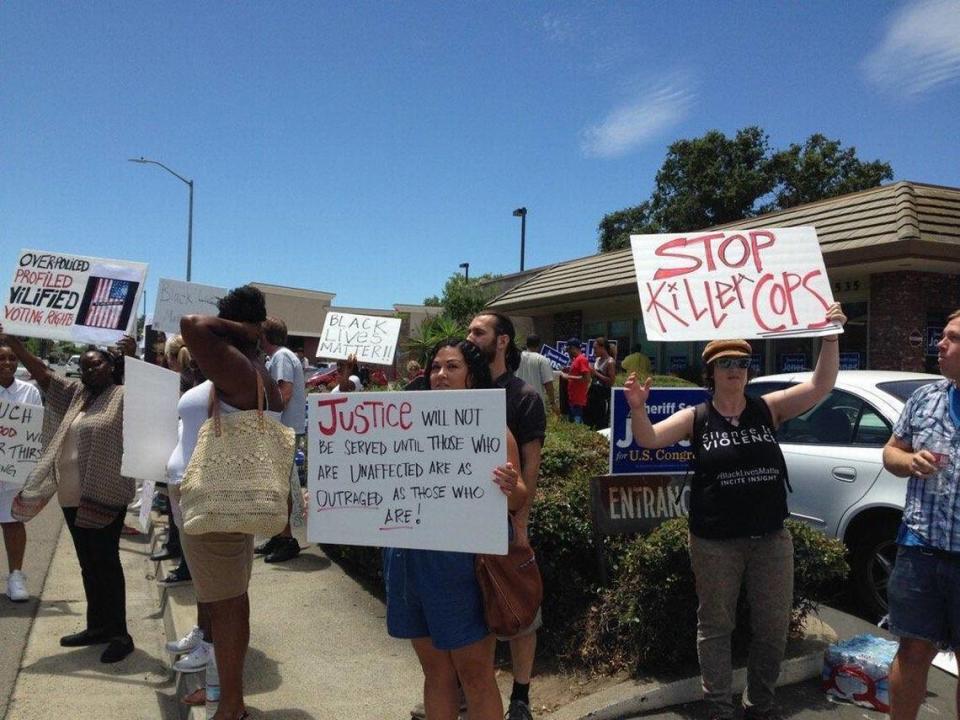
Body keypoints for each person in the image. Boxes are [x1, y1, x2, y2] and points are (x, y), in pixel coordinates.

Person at [623, 303, 846, 720]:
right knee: (716, 627)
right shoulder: (698, 417)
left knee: (772, 629)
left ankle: (760, 704)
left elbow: (821, 384)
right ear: (711, 371)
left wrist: (830, 336)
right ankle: (719, 707)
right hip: (714, 542)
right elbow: (650, 439)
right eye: (725, 363)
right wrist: (638, 407)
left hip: (770, 539)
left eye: (742, 362)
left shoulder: (768, 407)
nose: (735, 369)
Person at [384, 339, 525, 720]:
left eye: (452, 367)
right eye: (435, 368)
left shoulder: (491, 427)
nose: (440, 375)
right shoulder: (403, 423)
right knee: (435, 673)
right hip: (409, 558)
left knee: (474, 673)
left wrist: (511, 486)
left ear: (472, 377)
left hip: (462, 564)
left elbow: (519, 498)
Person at [176, 285, 284, 720]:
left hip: (215, 503)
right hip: (220, 502)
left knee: (225, 605)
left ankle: (232, 704)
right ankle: (222, 690)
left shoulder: (239, 365)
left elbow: (191, 326)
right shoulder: (244, 367)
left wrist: (244, 330)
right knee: (227, 601)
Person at [3, 327, 137, 663]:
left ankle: (120, 633)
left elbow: (147, 395)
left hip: (104, 493)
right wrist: (14, 344)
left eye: (97, 366)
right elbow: (43, 374)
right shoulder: (77, 394)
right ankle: (97, 627)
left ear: (111, 367)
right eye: (86, 367)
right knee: (88, 564)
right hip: (71, 494)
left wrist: (133, 357)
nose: (90, 371)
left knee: (107, 563)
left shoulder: (124, 394)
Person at [467, 312, 546, 720]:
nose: (470, 337)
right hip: (462, 525)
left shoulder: (522, 398)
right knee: (471, 611)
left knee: (519, 612)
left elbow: (529, 468)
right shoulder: (461, 387)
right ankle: (471, 691)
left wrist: (521, 524)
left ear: (502, 341)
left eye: (478, 331)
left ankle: (520, 696)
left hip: (504, 522)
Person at [882, 309, 960, 720]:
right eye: (942, 336)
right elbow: (891, 451)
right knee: (912, 649)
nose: (940, 344)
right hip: (920, 548)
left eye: (952, 338)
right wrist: (909, 460)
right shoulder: (925, 398)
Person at [255, 316, 305, 564]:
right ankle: (279, 535)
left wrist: (265, 421)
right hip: (284, 428)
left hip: (282, 430)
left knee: (280, 486)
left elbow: (283, 394)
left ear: (265, 336)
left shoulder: (281, 357)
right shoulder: (280, 356)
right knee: (277, 485)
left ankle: (287, 539)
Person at [0, 341, 42, 602]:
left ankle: (15, 576)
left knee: (12, 522)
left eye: (12, 359)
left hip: (14, 470)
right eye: (1, 359)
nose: (7, 363)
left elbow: (34, 432)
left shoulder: (30, 392)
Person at [516, 334, 558, 415]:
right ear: (538, 345)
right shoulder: (542, 360)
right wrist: (552, 403)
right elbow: (548, 383)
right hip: (535, 404)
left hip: (517, 402)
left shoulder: (517, 358)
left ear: (526, 344)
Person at [586, 336, 616, 429]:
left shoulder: (610, 362)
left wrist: (596, 373)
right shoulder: (597, 360)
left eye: (595, 348)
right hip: (593, 392)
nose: (594, 351)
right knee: (589, 420)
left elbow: (611, 381)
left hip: (603, 395)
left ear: (602, 348)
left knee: (601, 422)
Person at [560, 338, 590, 424]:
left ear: (573, 348)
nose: (567, 352)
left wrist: (568, 377)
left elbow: (586, 378)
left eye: (568, 350)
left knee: (577, 425)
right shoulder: (576, 360)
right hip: (573, 398)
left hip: (578, 400)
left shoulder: (581, 359)